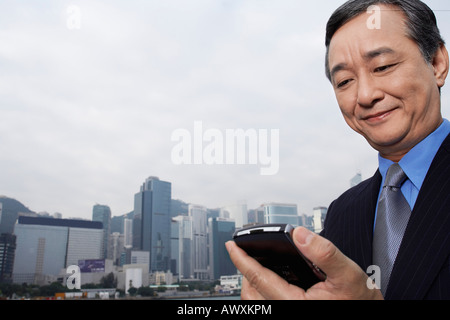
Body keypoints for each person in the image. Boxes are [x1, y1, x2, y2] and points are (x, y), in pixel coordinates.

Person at [226, 0, 450, 300]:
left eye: (382, 66)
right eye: (344, 81)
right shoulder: (343, 212)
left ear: (437, 63)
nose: (366, 95)